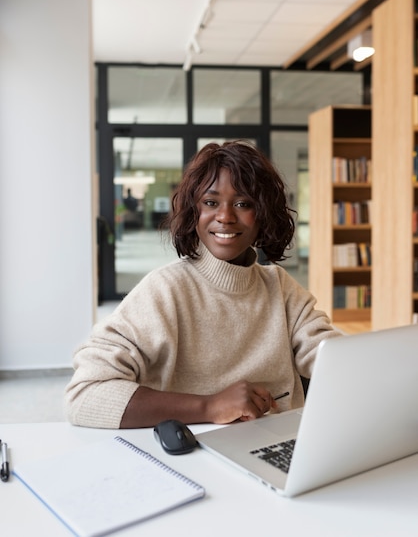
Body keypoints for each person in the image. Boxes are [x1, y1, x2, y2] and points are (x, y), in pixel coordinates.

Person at [65, 140, 341, 429]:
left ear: (262, 214)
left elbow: (332, 358)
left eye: (243, 203)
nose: (225, 217)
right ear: (193, 212)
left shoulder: (281, 287)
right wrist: (209, 406)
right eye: (210, 203)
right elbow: (86, 395)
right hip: (192, 456)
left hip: (280, 451)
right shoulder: (165, 290)